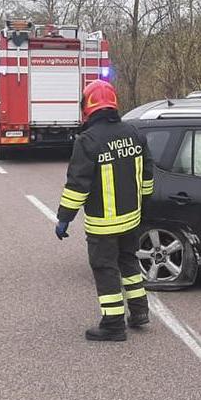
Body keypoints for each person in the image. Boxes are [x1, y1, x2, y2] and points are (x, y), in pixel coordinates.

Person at [54, 79, 154, 341]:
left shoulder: (87, 141)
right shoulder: (134, 133)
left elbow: (77, 186)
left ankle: (113, 325)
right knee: (129, 262)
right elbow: (147, 177)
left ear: (87, 107)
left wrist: (64, 218)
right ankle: (140, 312)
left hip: (104, 224)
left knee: (105, 269)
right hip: (132, 219)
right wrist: (143, 207)